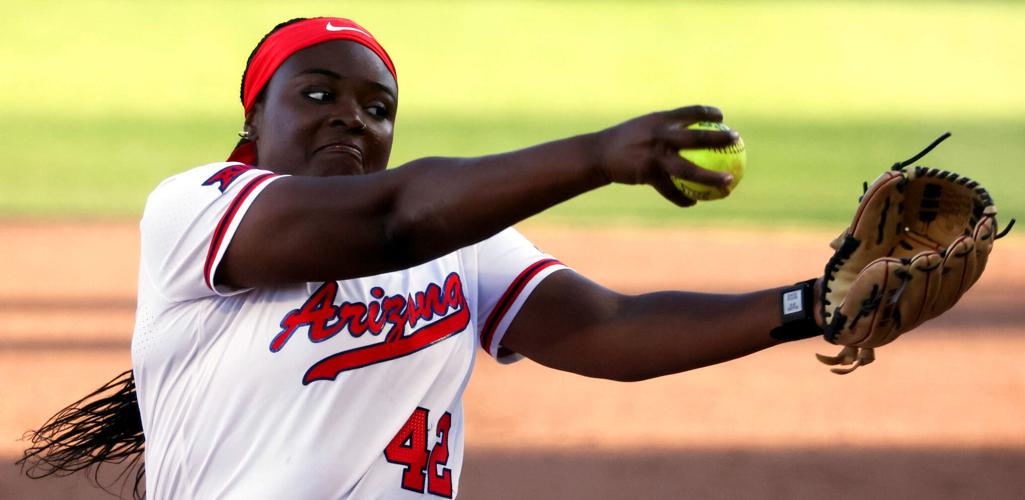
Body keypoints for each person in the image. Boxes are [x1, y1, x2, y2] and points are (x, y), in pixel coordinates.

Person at [21, 17, 825, 499]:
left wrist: (813, 304)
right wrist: (596, 156)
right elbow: (392, 220)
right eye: (317, 93)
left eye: (378, 109)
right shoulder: (196, 210)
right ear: (252, 120)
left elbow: (607, 326)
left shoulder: (459, 244)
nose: (351, 118)